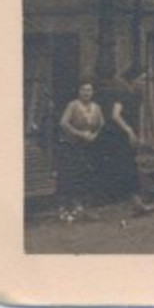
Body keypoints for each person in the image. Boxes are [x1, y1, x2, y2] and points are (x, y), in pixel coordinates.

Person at [94, 64, 154, 216]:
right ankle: (136, 204)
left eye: (145, 80)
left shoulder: (136, 95)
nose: (143, 83)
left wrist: (137, 134)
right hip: (117, 137)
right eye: (141, 79)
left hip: (127, 137)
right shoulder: (122, 93)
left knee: (129, 169)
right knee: (127, 169)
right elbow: (115, 115)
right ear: (133, 79)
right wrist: (128, 130)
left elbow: (136, 117)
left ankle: (137, 204)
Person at [55, 80, 103, 222]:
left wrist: (94, 135)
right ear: (79, 91)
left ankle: (86, 208)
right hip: (73, 145)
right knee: (73, 175)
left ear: (92, 92)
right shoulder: (73, 105)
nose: (86, 93)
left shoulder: (96, 107)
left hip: (90, 146)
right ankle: (72, 207)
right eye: (83, 90)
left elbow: (101, 124)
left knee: (88, 175)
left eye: (89, 90)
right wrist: (80, 134)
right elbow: (63, 123)